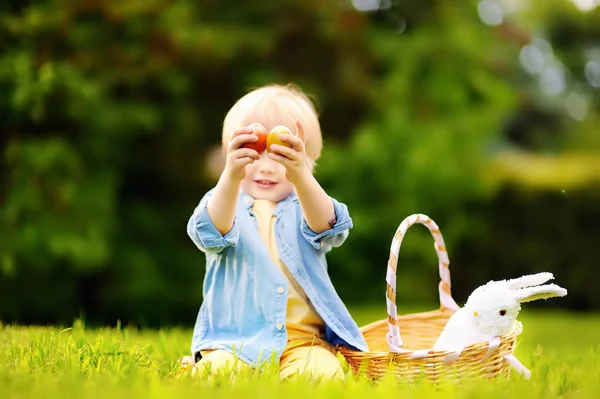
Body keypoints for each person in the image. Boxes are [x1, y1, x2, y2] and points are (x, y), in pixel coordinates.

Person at [185, 83, 368, 381]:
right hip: (235, 340)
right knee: (215, 374)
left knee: (324, 377)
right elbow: (209, 232)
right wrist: (230, 177)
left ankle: (300, 368)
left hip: (302, 340)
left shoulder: (305, 203)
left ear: (309, 161)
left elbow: (330, 228)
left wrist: (300, 178)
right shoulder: (223, 200)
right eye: (252, 153)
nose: (266, 168)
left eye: (282, 156)